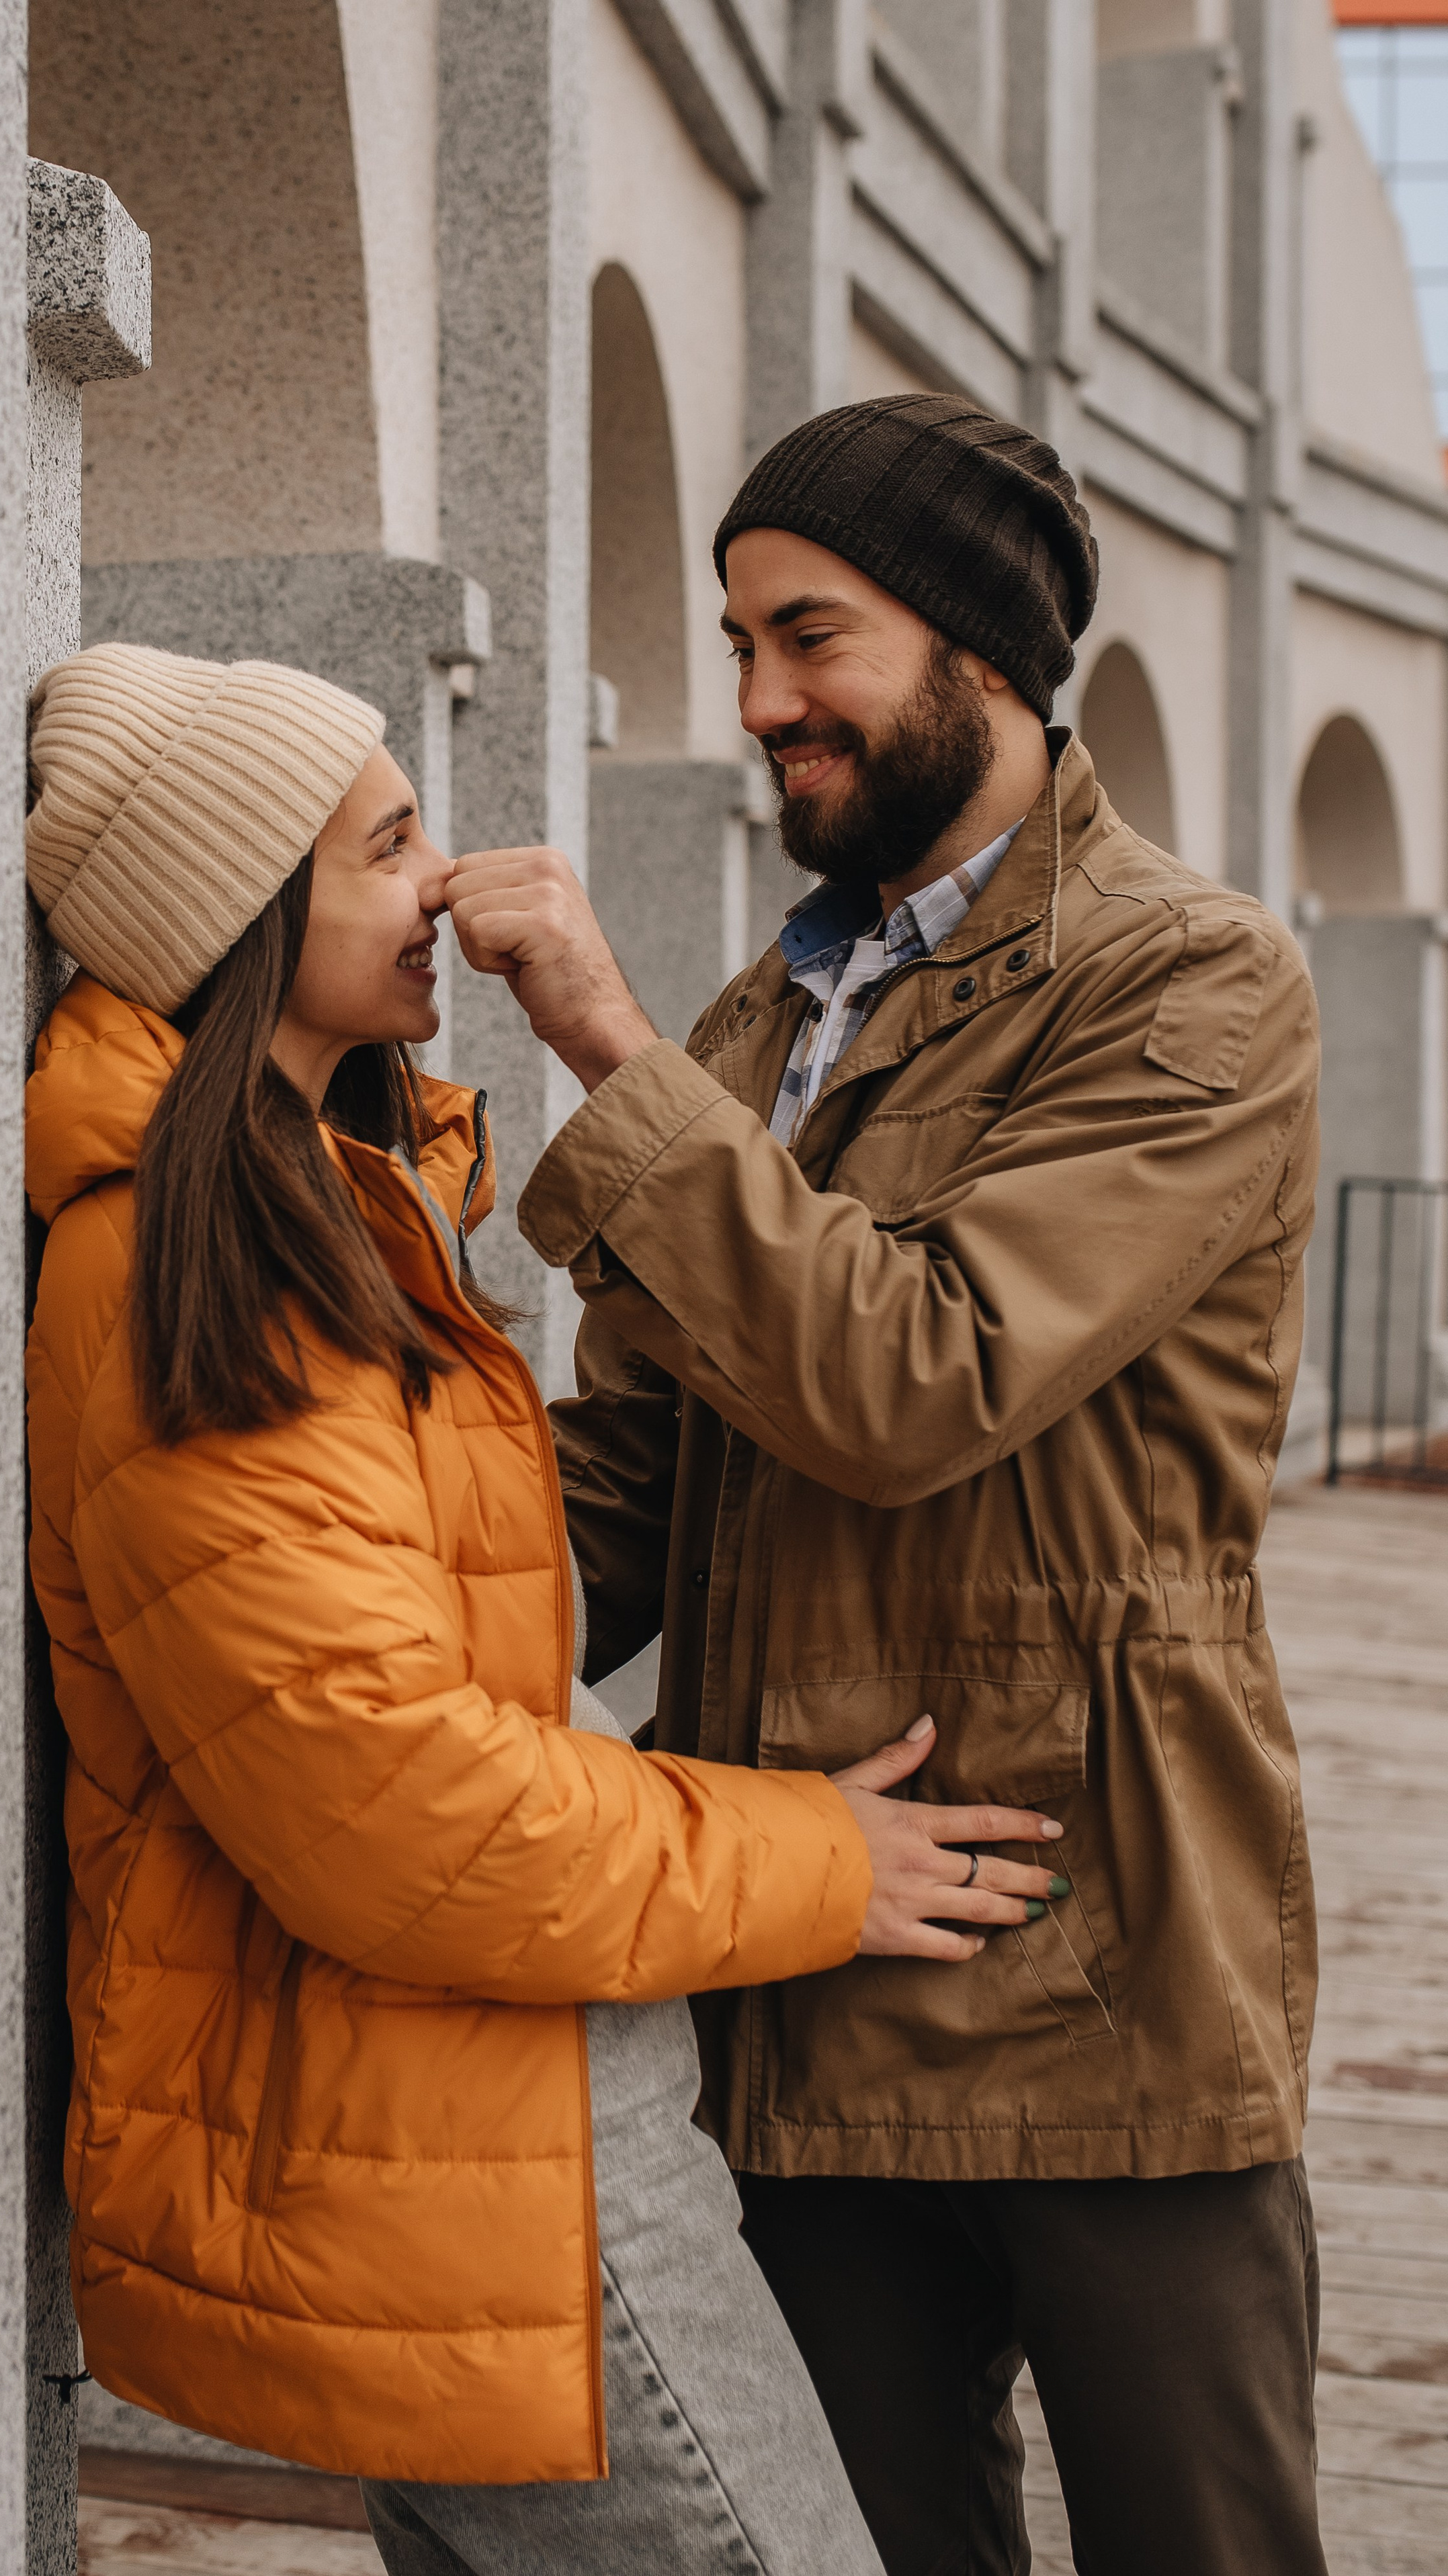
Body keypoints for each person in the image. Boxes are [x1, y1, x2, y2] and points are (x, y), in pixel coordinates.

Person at [21, 638, 1068, 2573]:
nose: (446, 876)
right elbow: (394, 1798)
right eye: (389, 840)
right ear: (253, 911)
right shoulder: (212, 1274)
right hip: (492, 2160)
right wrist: (818, 1853)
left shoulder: (328, 1207)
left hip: (479, 2120)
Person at [446, 394, 1327, 2576]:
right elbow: (638, 1478)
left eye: (808, 636)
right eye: (739, 643)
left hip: (1105, 1957)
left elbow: (921, 1378)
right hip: (803, 1956)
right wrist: (331, 1596)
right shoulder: (775, 1022)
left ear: (990, 650)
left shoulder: (1195, 981)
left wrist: (604, 1045)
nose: (759, 703)